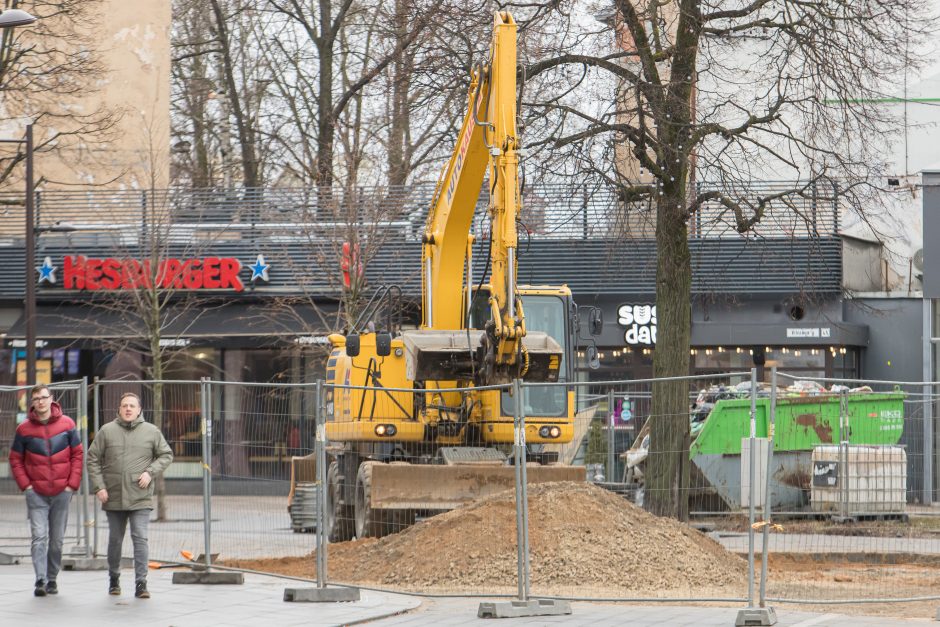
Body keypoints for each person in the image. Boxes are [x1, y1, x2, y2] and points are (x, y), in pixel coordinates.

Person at [86, 392, 173, 599]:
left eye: (132, 406)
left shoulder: (151, 431)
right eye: (124, 405)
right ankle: (114, 579)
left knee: (140, 538)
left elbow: (166, 454)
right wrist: (99, 487)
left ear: (139, 409)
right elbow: (92, 459)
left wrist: (149, 472)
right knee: (115, 540)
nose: (128, 409)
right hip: (113, 496)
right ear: (119, 409)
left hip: (140, 496)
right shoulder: (107, 431)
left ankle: (141, 583)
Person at [8, 384, 84, 597]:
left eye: (44, 397)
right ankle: (40, 579)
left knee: (57, 540)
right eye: (36, 399)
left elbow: (77, 455)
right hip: (37, 494)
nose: (40, 402)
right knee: (39, 537)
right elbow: (15, 458)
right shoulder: (23, 429)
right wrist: (27, 486)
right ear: (32, 403)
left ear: (51, 399)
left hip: (62, 492)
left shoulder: (68, 424)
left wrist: (71, 485)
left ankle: (52, 578)